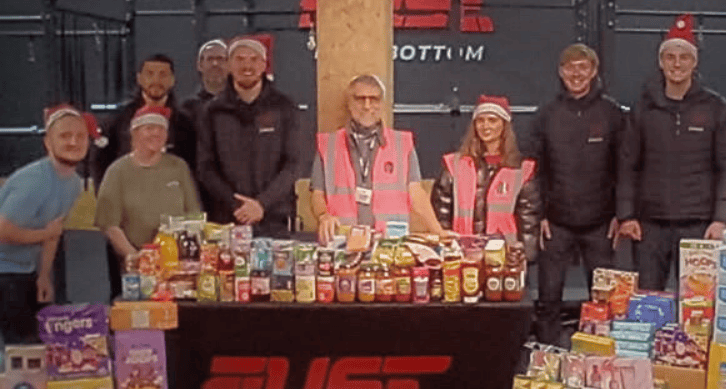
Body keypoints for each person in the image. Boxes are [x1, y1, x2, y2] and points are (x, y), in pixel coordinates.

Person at [618, 14, 726, 291]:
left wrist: (721, 218)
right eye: (670, 57)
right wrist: (627, 215)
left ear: (694, 62)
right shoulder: (643, 109)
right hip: (650, 226)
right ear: (661, 62)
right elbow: (627, 165)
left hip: (698, 225)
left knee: (696, 303)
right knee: (649, 297)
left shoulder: (715, 108)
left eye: (684, 57)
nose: (676, 64)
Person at [524, 43, 627, 346]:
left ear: (594, 72)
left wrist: (621, 214)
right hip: (556, 223)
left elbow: (625, 167)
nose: (577, 73)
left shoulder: (613, 114)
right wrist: (540, 213)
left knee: (605, 300)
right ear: (561, 72)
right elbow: (533, 169)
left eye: (584, 67)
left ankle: (601, 357)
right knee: (549, 298)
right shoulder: (546, 115)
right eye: (570, 67)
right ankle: (546, 358)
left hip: (601, 223)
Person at [197, 34, 314, 237]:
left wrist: (262, 204)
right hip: (229, 219)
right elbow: (206, 167)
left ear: (263, 65)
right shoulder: (212, 111)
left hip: (275, 220)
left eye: (253, 59)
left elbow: (294, 163)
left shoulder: (284, 107)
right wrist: (237, 205)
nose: (247, 66)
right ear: (229, 65)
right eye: (239, 59)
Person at [0, 105, 97, 343]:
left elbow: (54, 233)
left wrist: (44, 277)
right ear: (47, 142)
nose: (73, 142)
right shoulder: (33, 181)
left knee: (38, 345)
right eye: (64, 136)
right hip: (5, 273)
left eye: (80, 136)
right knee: (20, 350)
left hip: (27, 270)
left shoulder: (74, 183)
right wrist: (45, 233)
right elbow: (3, 230)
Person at [311, 74, 445, 244]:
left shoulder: (402, 144)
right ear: (349, 102)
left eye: (373, 99)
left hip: (390, 246)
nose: (367, 106)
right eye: (360, 99)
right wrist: (323, 216)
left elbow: (416, 194)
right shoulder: (328, 144)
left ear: (382, 103)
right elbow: (317, 194)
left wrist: (438, 231)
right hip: (342, 244)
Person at [431, 95, 541, 259]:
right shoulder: (454, 164)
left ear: (504, 125)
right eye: (480, 120)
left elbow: (529, 222)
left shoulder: (521, 169)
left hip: (504, 257)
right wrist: (444, 248)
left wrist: (525, 255)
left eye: (492, 120)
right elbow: (441, 213)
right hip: (461, 255)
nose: (485, 126)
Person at [95, 106, 202, 263]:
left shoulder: (179, 167)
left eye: (161, 129)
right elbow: (109, 224)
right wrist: (133, 255)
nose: (156, 133)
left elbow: (194, 213)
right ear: (134, 133)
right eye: (149, 128)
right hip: (138, 260)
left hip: (180, 261)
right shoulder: (117, 171)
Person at [92, 54, 197, 181]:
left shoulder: (185, 123)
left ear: (172, 80)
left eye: (163, 75)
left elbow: (192, 169)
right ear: (139, 78)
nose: (156, 80)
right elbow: (100, 163)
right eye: (150, 74)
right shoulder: (118, 118)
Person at [182, 39, 228, 126]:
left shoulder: (240, 104)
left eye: (220, 59)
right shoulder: (188, 109)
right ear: (200, 65)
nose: (215, 64)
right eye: (210, 59)